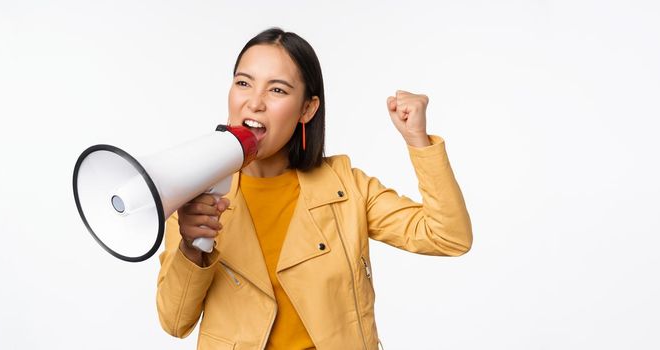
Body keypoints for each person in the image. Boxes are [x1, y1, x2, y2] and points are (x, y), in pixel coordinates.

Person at [156, 27, 472, 350]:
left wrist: (417, 140)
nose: (254, 102)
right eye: (243, 83)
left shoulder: (346, 186)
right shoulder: (194, 195)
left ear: (307, 109)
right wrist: (192, 248)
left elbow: (449, 235)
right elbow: (175, 321)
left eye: (277, 90)